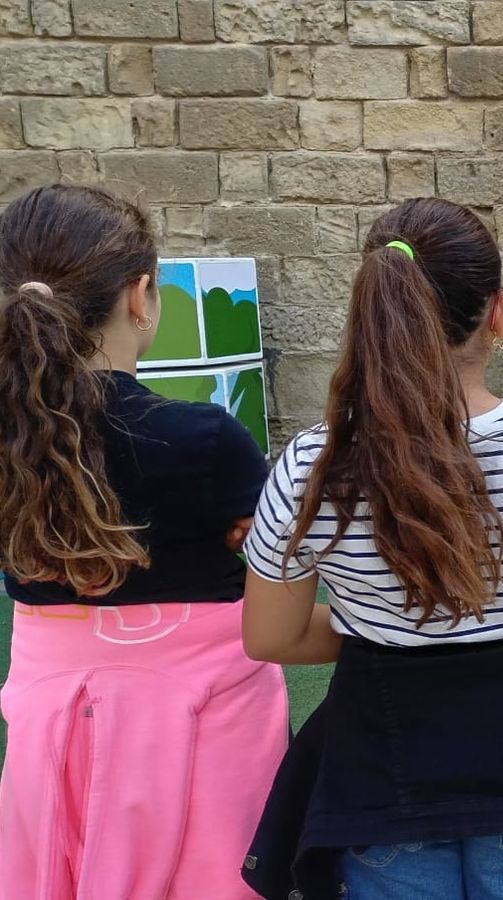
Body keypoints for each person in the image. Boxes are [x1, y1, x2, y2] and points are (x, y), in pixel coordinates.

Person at [239, 198, 503, 899]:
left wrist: (369, 619)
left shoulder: (314, 464)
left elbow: (269, 634)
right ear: (497, 314)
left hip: (381, 766)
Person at [0, 185, 288, 899]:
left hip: (49, 719)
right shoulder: (205, 439)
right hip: (206, 725)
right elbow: (278, 562)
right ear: (141, 296)